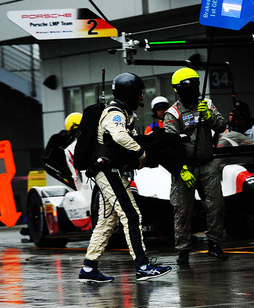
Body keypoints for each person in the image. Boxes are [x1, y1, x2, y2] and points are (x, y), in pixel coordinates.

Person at [78, 72, 172, 283]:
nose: (142, 97)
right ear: (128, 93)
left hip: (107, 171)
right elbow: (120, 136)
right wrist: (141, 153)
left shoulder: (121, 111)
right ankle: (142, 266)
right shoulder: (115, 113)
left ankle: (89, 268)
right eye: (139, 93)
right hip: (107, 171)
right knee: (131, 215)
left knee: (107, 221)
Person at [164, 67, 229, 265]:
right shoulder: (172, 113)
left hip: (207, 164)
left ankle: (215, 245)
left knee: (216, 206)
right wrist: (180, 169)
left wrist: (208, 116)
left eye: (195, 84)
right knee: (183, 210)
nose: (193, 88)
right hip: (185, 168)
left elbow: (221, 125)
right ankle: (183, 250)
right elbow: (169, 145)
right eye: (188, 85)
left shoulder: (206, 104)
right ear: (178, 89)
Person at [42, 112, 82, 189]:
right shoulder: (60, 138)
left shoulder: (73, 135)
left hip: (63, 164)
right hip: (53, 165)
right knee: (76, 183)